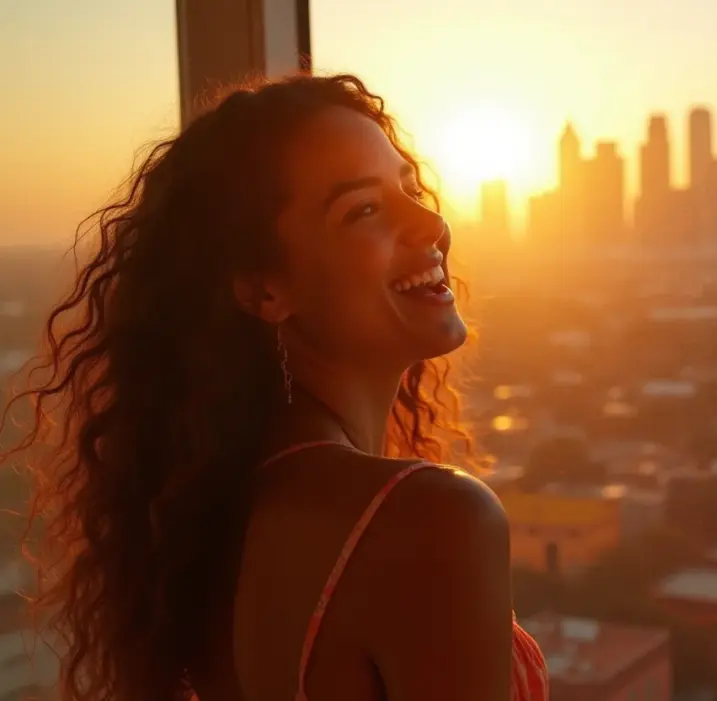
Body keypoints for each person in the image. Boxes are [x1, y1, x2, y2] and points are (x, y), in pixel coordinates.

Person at [1, 75, 548, 701]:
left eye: (410, 188)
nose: (430, 224)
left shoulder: (221, 511)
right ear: (265, 290)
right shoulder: (429, 519)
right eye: (363, 209)